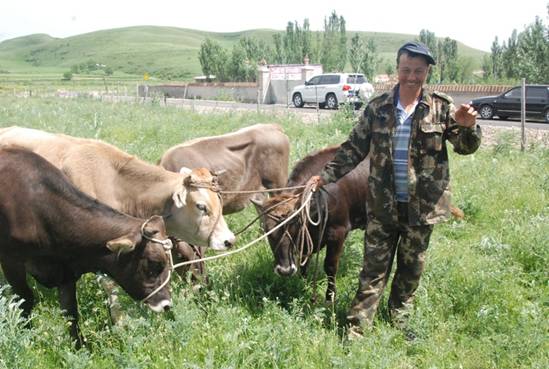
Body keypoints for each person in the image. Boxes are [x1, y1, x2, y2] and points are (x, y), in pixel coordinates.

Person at [307, 41, 481, 338]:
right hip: (382, 206)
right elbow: (353, 149)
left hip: (423, 208)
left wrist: (467, 127)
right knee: (373, 269)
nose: (412, 76)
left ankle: (399, 319)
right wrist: (323, 177)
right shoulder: (377, 108)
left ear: (427, 72)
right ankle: (357, 328)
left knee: (410, 270)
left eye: (418, 71)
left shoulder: (441, 107)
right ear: (397, 70)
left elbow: (465, 148)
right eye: (406, 70)